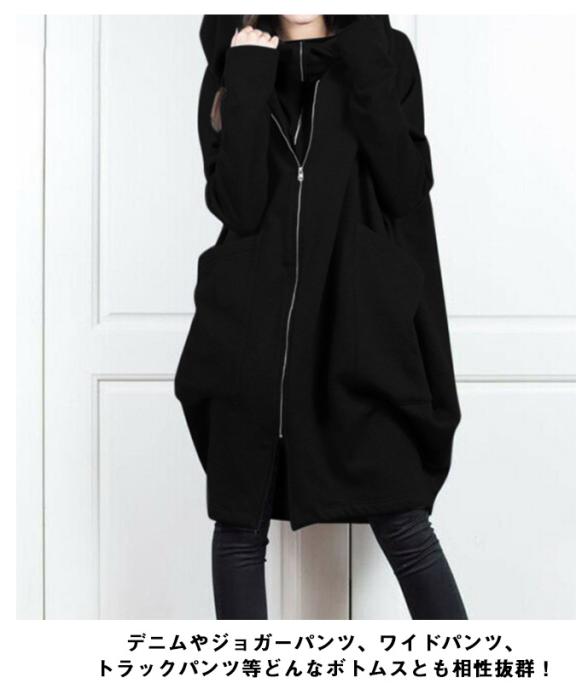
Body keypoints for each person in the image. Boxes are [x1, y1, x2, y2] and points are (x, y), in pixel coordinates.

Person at [175, 14, 467, 620]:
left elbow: (405, 185)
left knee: (405, 524)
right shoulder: (235, 62)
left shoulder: (384, 52)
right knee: (238, 529)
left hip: (358, 339)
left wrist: (362, 55)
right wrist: (247, 77)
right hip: (248, 341)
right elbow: (238, 206)